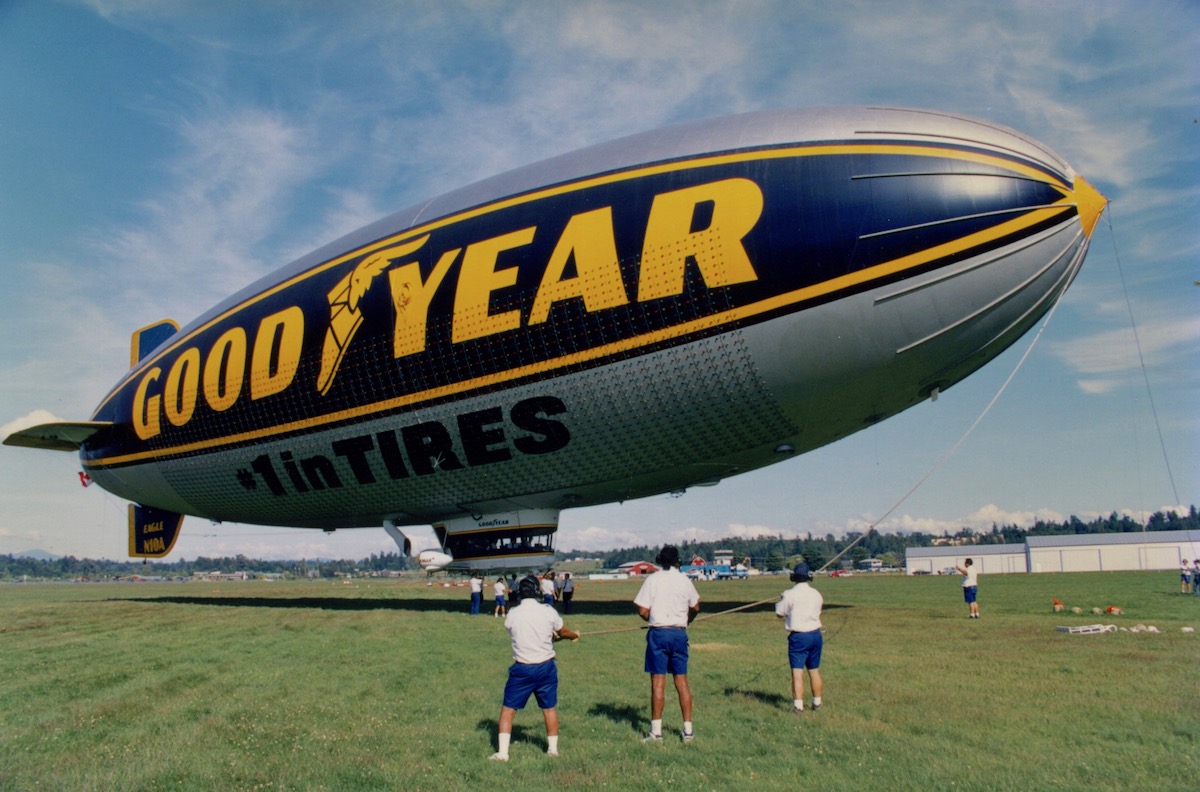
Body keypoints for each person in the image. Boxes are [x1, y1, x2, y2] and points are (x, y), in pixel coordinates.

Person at [490, 575, 579, 762]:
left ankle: (503, 754)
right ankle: (553, 750)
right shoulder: (548, 611)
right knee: (549, 709)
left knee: (508, 710)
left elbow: (521, 634)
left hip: (522, 668)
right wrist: (572, 636)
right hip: (546, 667)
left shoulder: (513, 614)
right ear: (537, 592)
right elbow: (563, 631)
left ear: (519, 593)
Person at [634, 545, 700, 743]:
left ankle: (656, 732)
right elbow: (695, 606)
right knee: (682, 682)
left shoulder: (653, 579)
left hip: (659, 634)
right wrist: (687, 621)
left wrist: (652, 619)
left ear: (660, 560)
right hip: (679, 634)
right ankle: (688, 731)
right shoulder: (684, 579)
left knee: (658, 683)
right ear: (677, 561)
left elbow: (642, 610)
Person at [775, 562, 823, 713]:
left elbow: (779, 613)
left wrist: (783, 598)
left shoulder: (790, 594)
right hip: (816, 635)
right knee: (814, 670)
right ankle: (817, 703)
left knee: (797, 672)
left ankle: (798, 706)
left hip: (799, 637)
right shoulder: (816, 593)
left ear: (793, 577)